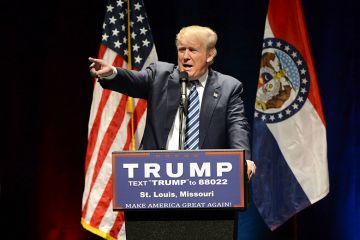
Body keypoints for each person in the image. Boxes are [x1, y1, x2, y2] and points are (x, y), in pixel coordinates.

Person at [89, 25, 256, 179]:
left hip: (207, 180)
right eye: (181, 49)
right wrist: (111, 72)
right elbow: (134, 80)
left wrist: (243, 159)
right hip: (158, 181)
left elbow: (237, 126)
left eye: (192, 50)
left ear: (210, 55)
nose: (185, 56)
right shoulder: (160, 75)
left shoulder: (229, 87)